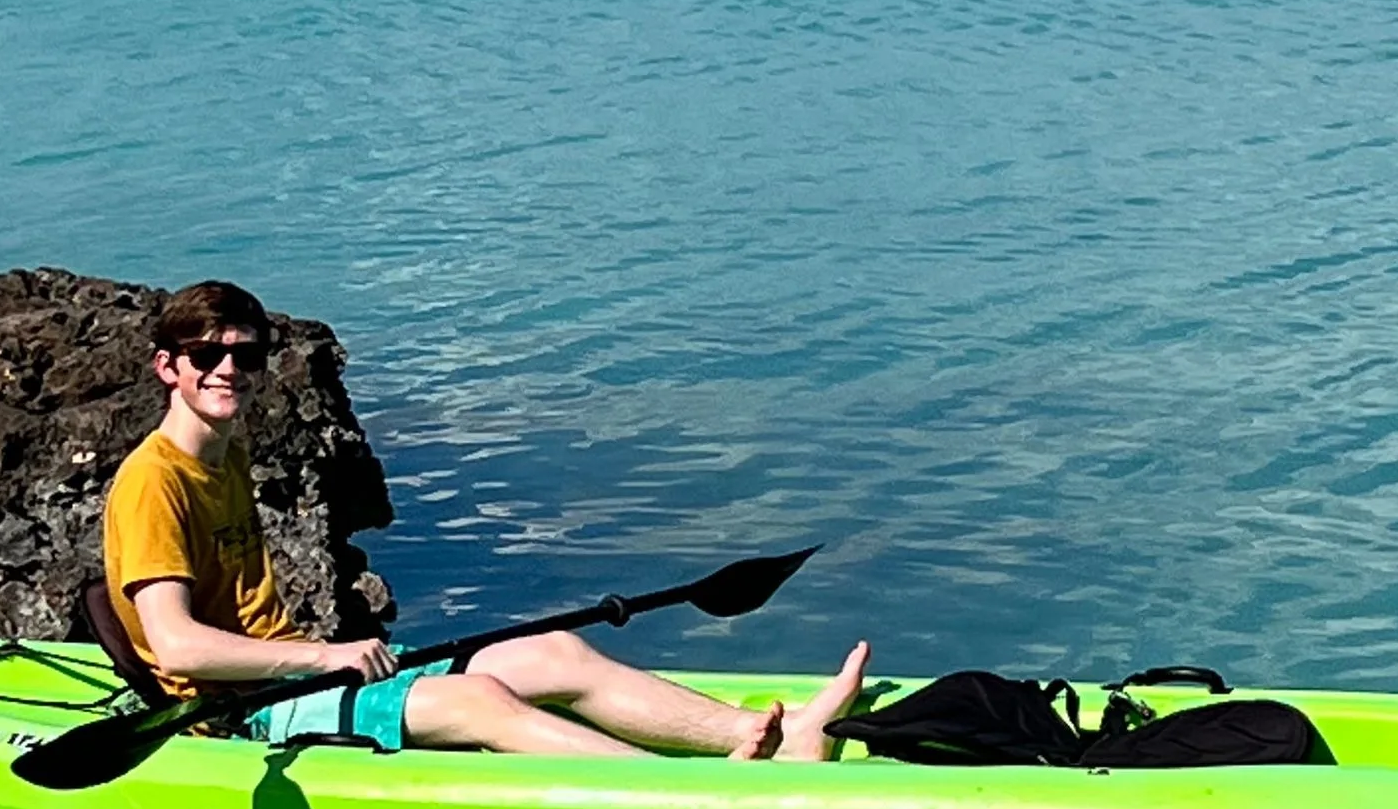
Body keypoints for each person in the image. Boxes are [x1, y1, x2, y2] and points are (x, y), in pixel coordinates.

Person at [101, 281, 867, 759]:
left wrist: (323, 655)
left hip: (299, 669)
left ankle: (758, 736)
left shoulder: (225, 453)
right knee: (481, 704)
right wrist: (318, 656)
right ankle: (700, 802)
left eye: (246, 353)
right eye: (206, 353)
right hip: (235, 710)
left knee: (558, 654)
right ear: (169, 365)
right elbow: (177, 643)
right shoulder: (152, 484)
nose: (227, 367)